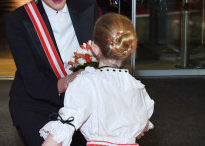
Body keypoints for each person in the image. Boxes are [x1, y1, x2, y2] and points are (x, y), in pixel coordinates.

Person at [5, 0, 100, 146]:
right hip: (36, 104)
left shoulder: (87, 8)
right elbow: (33, 82)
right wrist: (71, 80)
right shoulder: (19, 21)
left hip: (79, 104)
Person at [40, 13, 155, 146]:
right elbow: (143, 125)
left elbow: (66, 124)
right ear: (128, 50)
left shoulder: (87, 83)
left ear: (94, 48)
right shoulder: (137, 87)